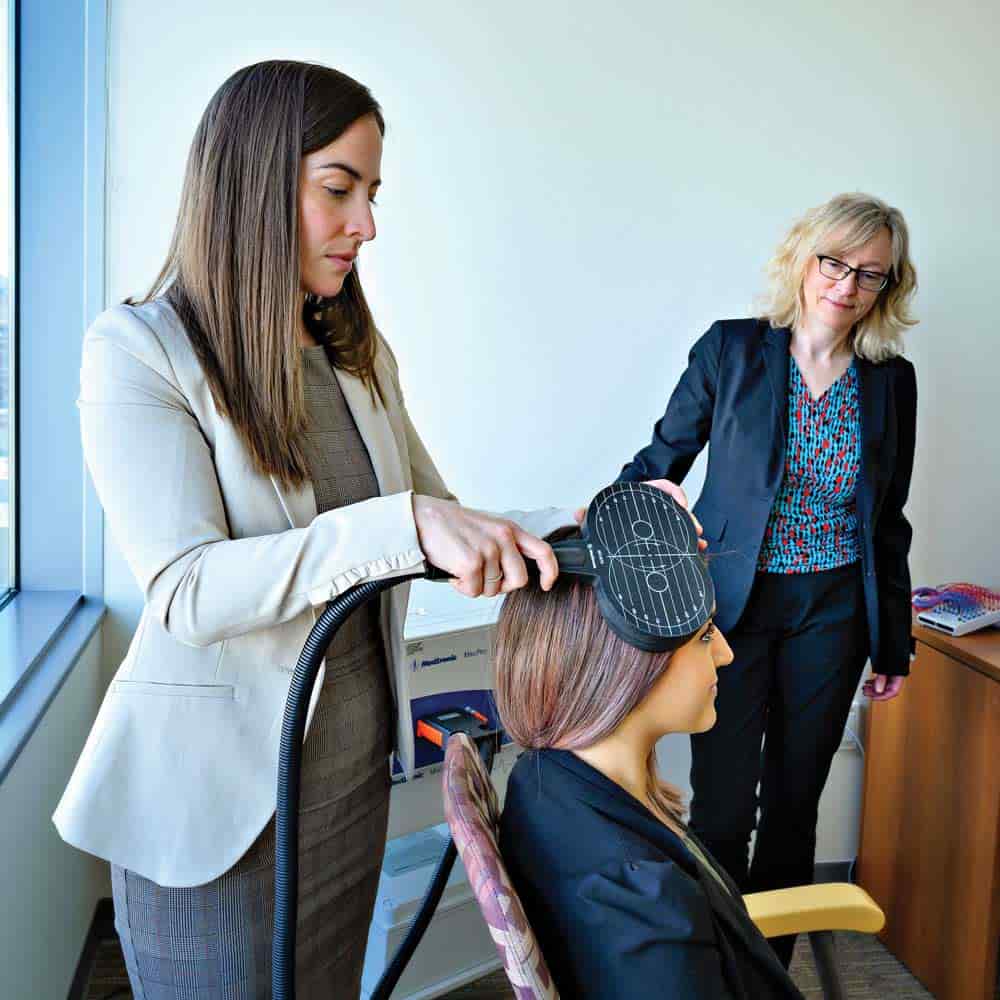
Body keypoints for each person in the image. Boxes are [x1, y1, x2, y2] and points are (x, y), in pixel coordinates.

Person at [53, 60, 572, 999]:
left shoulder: (354, 355)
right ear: (251, 181)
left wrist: (583, 524)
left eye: (372, 194)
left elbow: (441, 518)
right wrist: (401, 523)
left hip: (344, 784)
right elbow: (186, 589)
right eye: (339, 189)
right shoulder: (137, 352)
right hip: (212, 814)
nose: (366, 224)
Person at [617, 192, 918, 965]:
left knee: (794, 802)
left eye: (870, 275)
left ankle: (768, 975)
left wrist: (894, 643)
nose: (846, 286)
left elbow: (888, 520)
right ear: (802, 256)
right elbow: (659, 464)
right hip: (731, 611)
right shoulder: (732, 350)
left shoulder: (890, 381)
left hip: (835, 611)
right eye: (834, 262)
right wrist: (611, 527)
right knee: (721, 805)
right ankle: (718, 964)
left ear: (889, 286)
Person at [494, 533, 805, 998]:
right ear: (627, 664)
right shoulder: (644, 908)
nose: (725, 652)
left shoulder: (541, 779)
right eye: (704, 636)